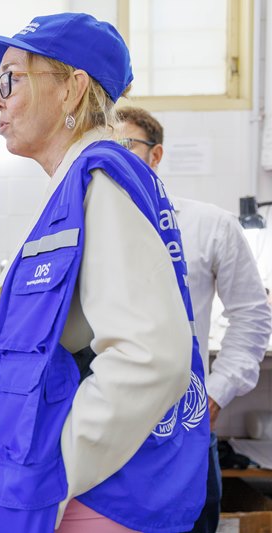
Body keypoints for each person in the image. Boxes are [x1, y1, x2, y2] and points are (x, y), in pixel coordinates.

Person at [0, 13, 210, 533]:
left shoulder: (102, 180)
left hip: (99, 498)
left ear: (72, 89)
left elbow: (151, 358)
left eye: (10, 79)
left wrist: (58, 463)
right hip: (91, 492)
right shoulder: (83, 180)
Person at [116, 106, 272, 533]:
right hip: (107, 426)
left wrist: (215, 394)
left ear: (156, 155)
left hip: (184, 424)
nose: (113, 156)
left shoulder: (209, 225)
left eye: (126, 145)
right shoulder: (87, 228)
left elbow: (252, 317)